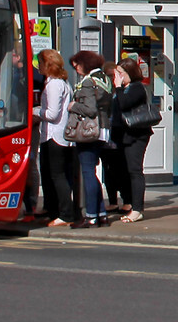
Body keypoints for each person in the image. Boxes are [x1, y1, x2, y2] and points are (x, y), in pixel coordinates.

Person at [66, 51, 113, 227]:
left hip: (89, 131)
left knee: (88, 173)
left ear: (85, 64)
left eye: (77, 64)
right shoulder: (105, 79)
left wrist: (73, 106)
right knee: (91, 172)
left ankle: (91, 216)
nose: (76, 68)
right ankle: (101, 214)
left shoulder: (87, 83)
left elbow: (90, 110)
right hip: (103, 130)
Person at [107, 57, 155, 223]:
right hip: (122, 135)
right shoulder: (124, 88)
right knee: (122, 170)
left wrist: (118, 88)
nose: (117, 77)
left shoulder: (137, 88)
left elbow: (125, 104)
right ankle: (128, 202)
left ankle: (137, 209)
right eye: (116, 73)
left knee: (135, 171)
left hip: (136, 135)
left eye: (121, 73)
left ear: (130, 73)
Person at [35, 49, 78, 227]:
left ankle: (65, 213)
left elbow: (52, 114)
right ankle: (52, 210)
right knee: (49, 175)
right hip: (53, 136)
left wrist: (35, 111)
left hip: (55, 136)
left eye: (40, 62)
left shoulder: (54, 85)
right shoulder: (60, 82)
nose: (38, 65)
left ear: (48, 64)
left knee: (57, 175)